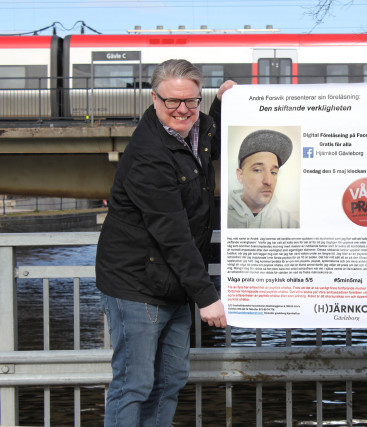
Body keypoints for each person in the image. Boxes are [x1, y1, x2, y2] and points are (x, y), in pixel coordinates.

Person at [95, 59, 235, 426]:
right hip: (136, 284)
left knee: (170, 380)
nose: (182, 110)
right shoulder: (147, 157)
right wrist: (207, 296)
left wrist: (223, 105)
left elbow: (212, 143)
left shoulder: (196, 126)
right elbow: (172, 235)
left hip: (171, 282)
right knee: (134, 385)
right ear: (154, 98)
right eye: (172, 102)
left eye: (192, 100)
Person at [227, 129, 299, 228]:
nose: (268, 181)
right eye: (257, 170)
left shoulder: (289, 223)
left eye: (273, 172)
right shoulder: (224, 219)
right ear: (240, 175)